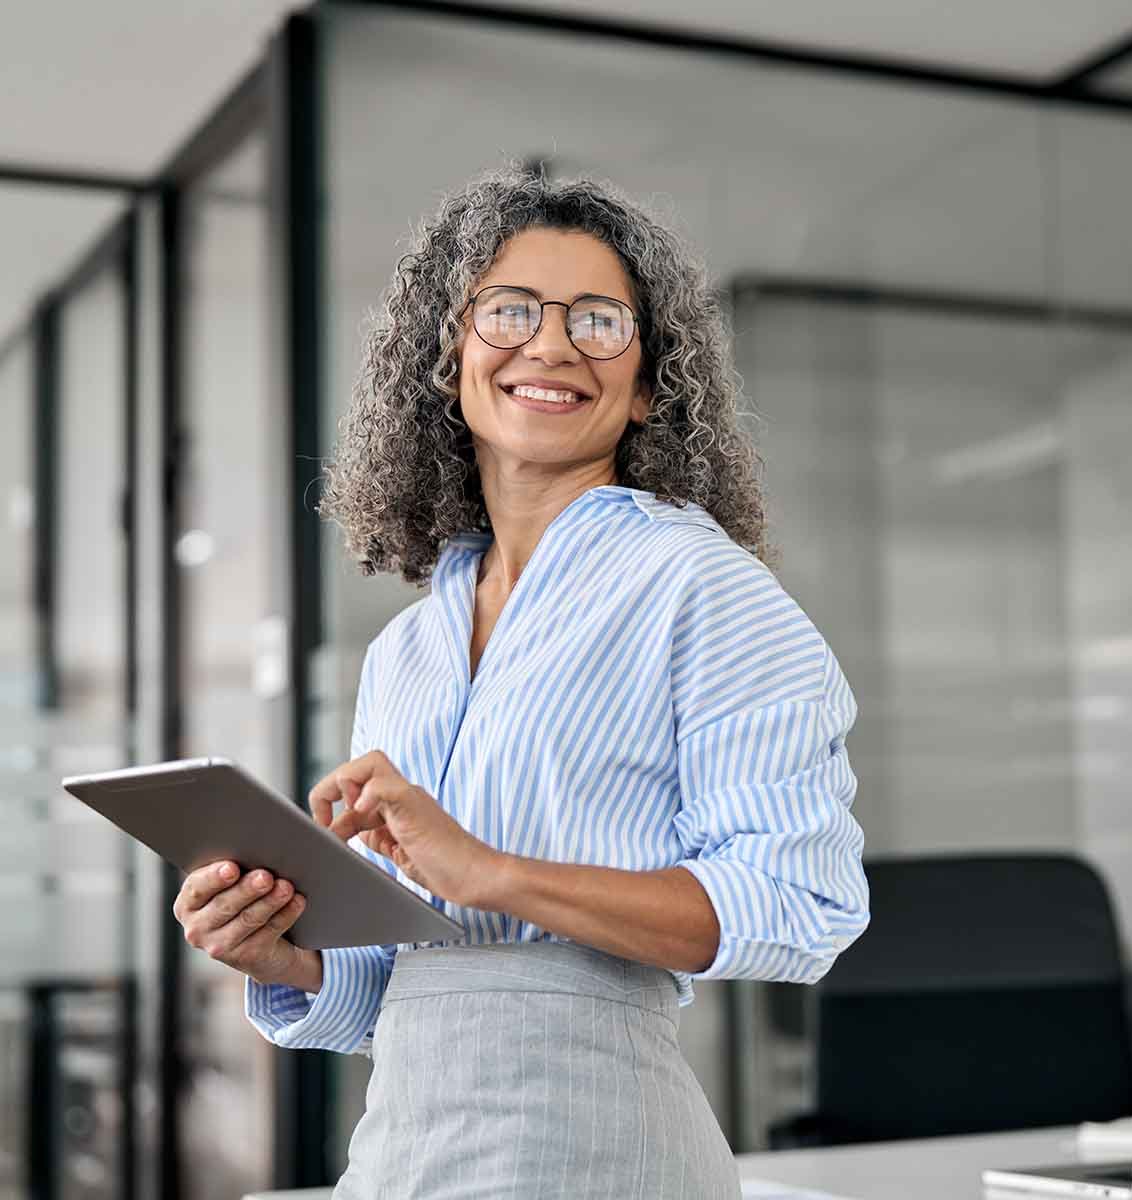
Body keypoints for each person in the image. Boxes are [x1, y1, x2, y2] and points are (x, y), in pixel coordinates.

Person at [172, 161, 870, 1198]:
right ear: (447, 358)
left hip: (600, 1147)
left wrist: (495, 872)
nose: (549, 344)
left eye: (598, 320)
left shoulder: (700, 586)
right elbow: (413, 982)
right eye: (509, 311)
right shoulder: (409, 648)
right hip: (405, 1155)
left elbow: (801, 902)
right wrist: (286, 956)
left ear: (648, 387)